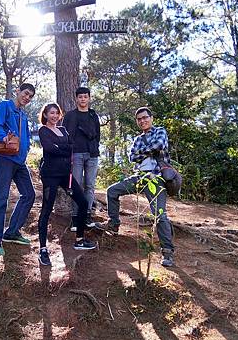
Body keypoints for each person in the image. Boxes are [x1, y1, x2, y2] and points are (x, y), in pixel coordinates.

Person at [98, 107, 175, 267]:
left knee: (159, 215)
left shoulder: (160, 131)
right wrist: (148, 152)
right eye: (139, 119)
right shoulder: (137, 139)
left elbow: (158, 146)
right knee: (112, 191)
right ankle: (114, 224)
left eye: (145, 117)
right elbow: (132, 156)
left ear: (151, 118)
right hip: (139, 177)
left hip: (156, 178)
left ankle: (167, 252)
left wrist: (144, 152)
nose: (142, 121)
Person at [37, 103, 97, 266]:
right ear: (46, 115)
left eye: (57, 113)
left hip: (66, 176)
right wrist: (64, 148)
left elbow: (72, 147)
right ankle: (43, 249)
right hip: (50, 175)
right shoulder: (43, 130)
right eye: (51, 113)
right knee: (46, 210)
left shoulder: (63, 130)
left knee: (83, 202)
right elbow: (49, 149)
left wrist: (61, 148)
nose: (54, 116)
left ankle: (79, 239)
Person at [0, 83, 36, 257]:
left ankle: (12, 232)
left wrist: (27, 148)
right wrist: (3, 137)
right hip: (5, 159)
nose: (27, 97)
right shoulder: (5, 106)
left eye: (30, 96)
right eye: (25, 93)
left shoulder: (23, 115)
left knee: (29, 195)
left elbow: (26, 137)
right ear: (18, 91)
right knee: (2, 197)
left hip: (20, 162)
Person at [62, 86, 100, 231]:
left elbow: (98, 135)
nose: (83, 99)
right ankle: (76, 218)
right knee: (76, 186)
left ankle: (88, 214)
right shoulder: (70, 116)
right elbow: (65, 135)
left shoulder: (93, 115)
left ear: (89, 98)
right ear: (76, 99)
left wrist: (95, 148)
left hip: (92, 155)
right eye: (80, 97)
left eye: (85, 96)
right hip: (76, 154)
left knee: (90, 186)